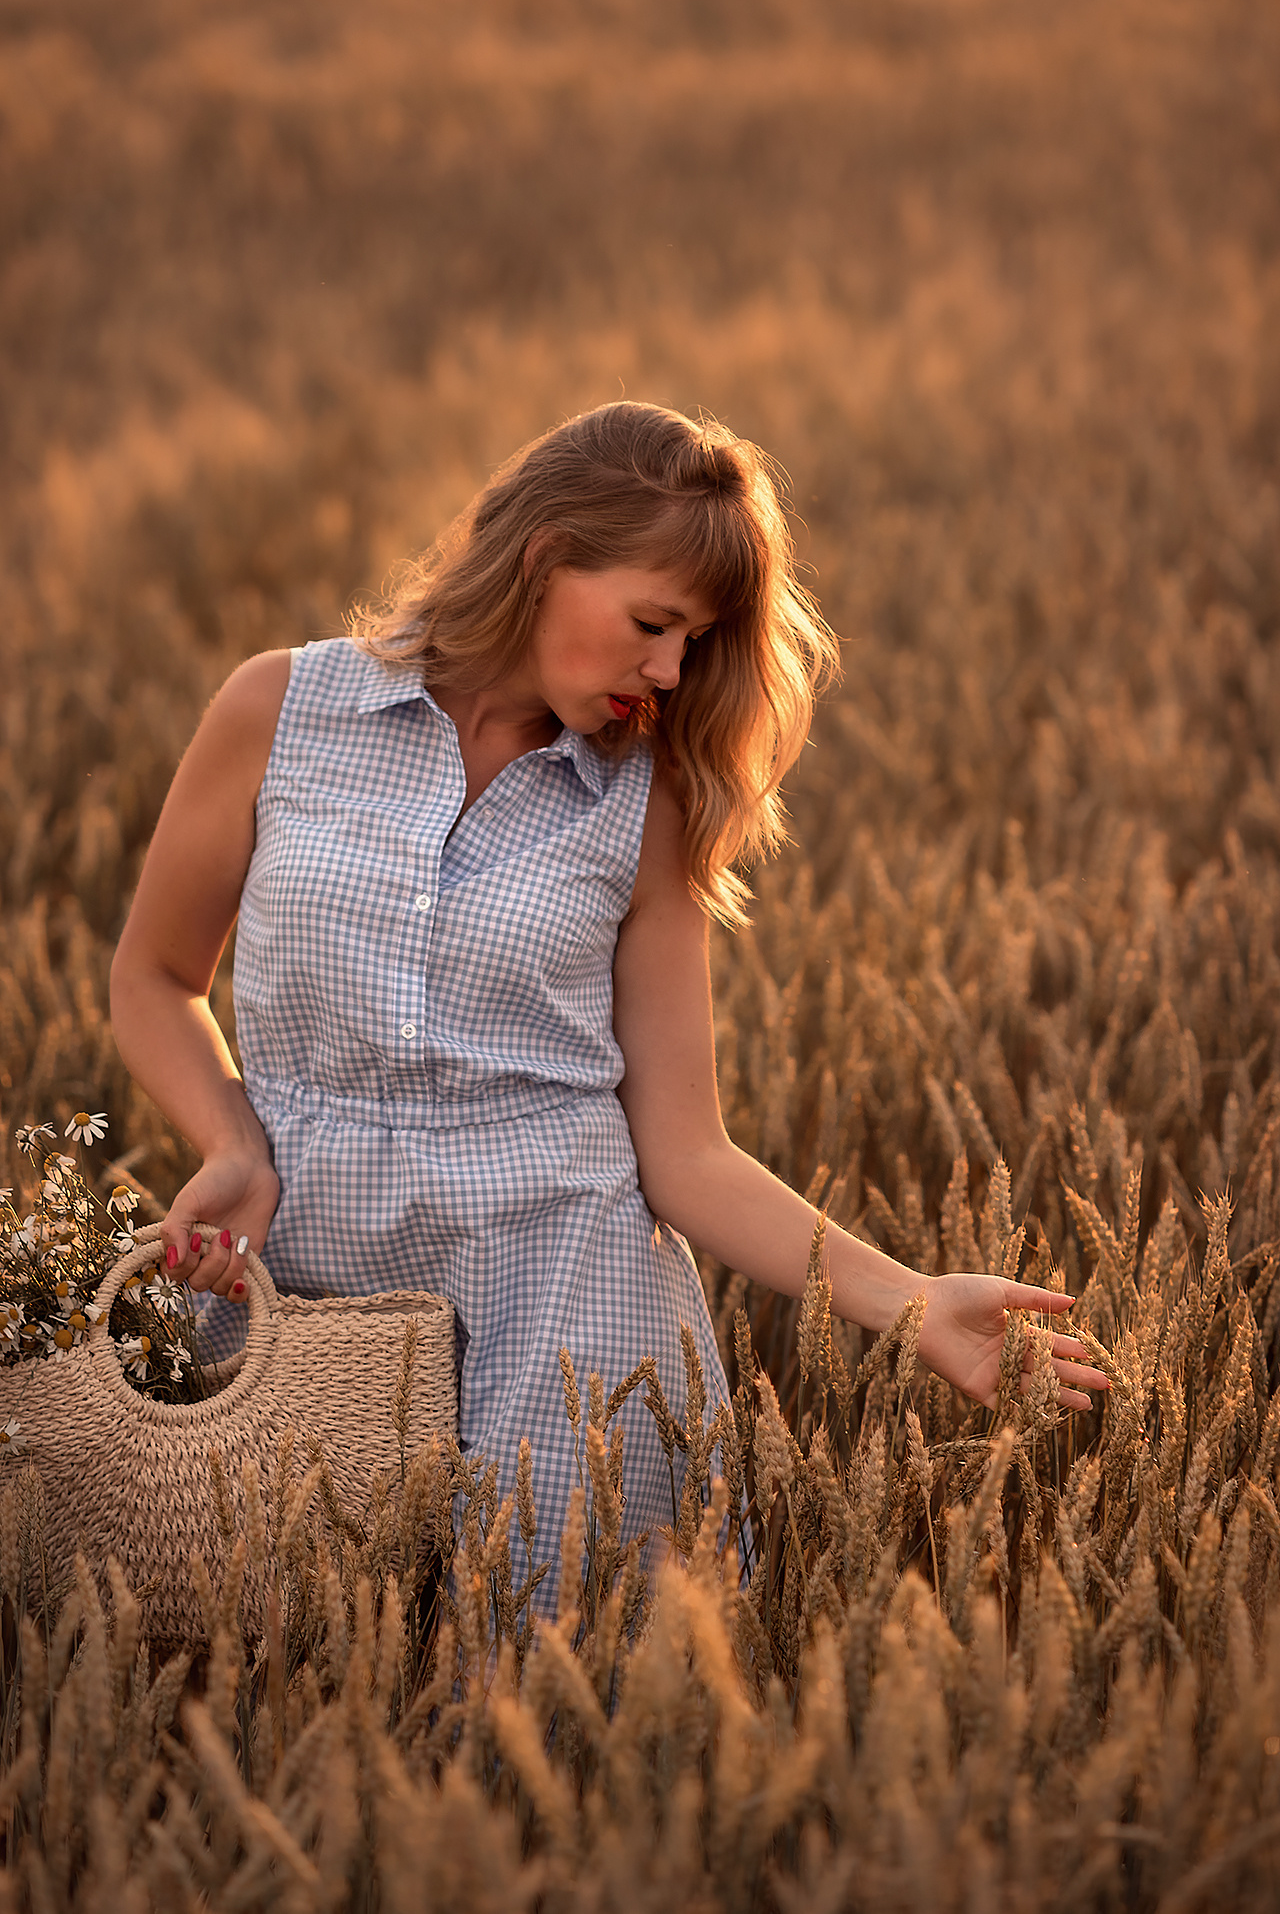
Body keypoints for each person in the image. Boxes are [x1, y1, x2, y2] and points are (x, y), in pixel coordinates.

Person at [110, 401, 1107, 1598]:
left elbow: (685, 1154)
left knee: (556, 1720)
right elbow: (155, 977)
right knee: (277, 1688)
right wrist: (232, 1141)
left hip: (569, 1318)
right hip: (300, 1300)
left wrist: (909, 1304)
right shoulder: (279, 710)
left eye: (691, 641)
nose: (669, 672)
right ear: (543, 559)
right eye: (651, 622)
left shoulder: (647, 802)